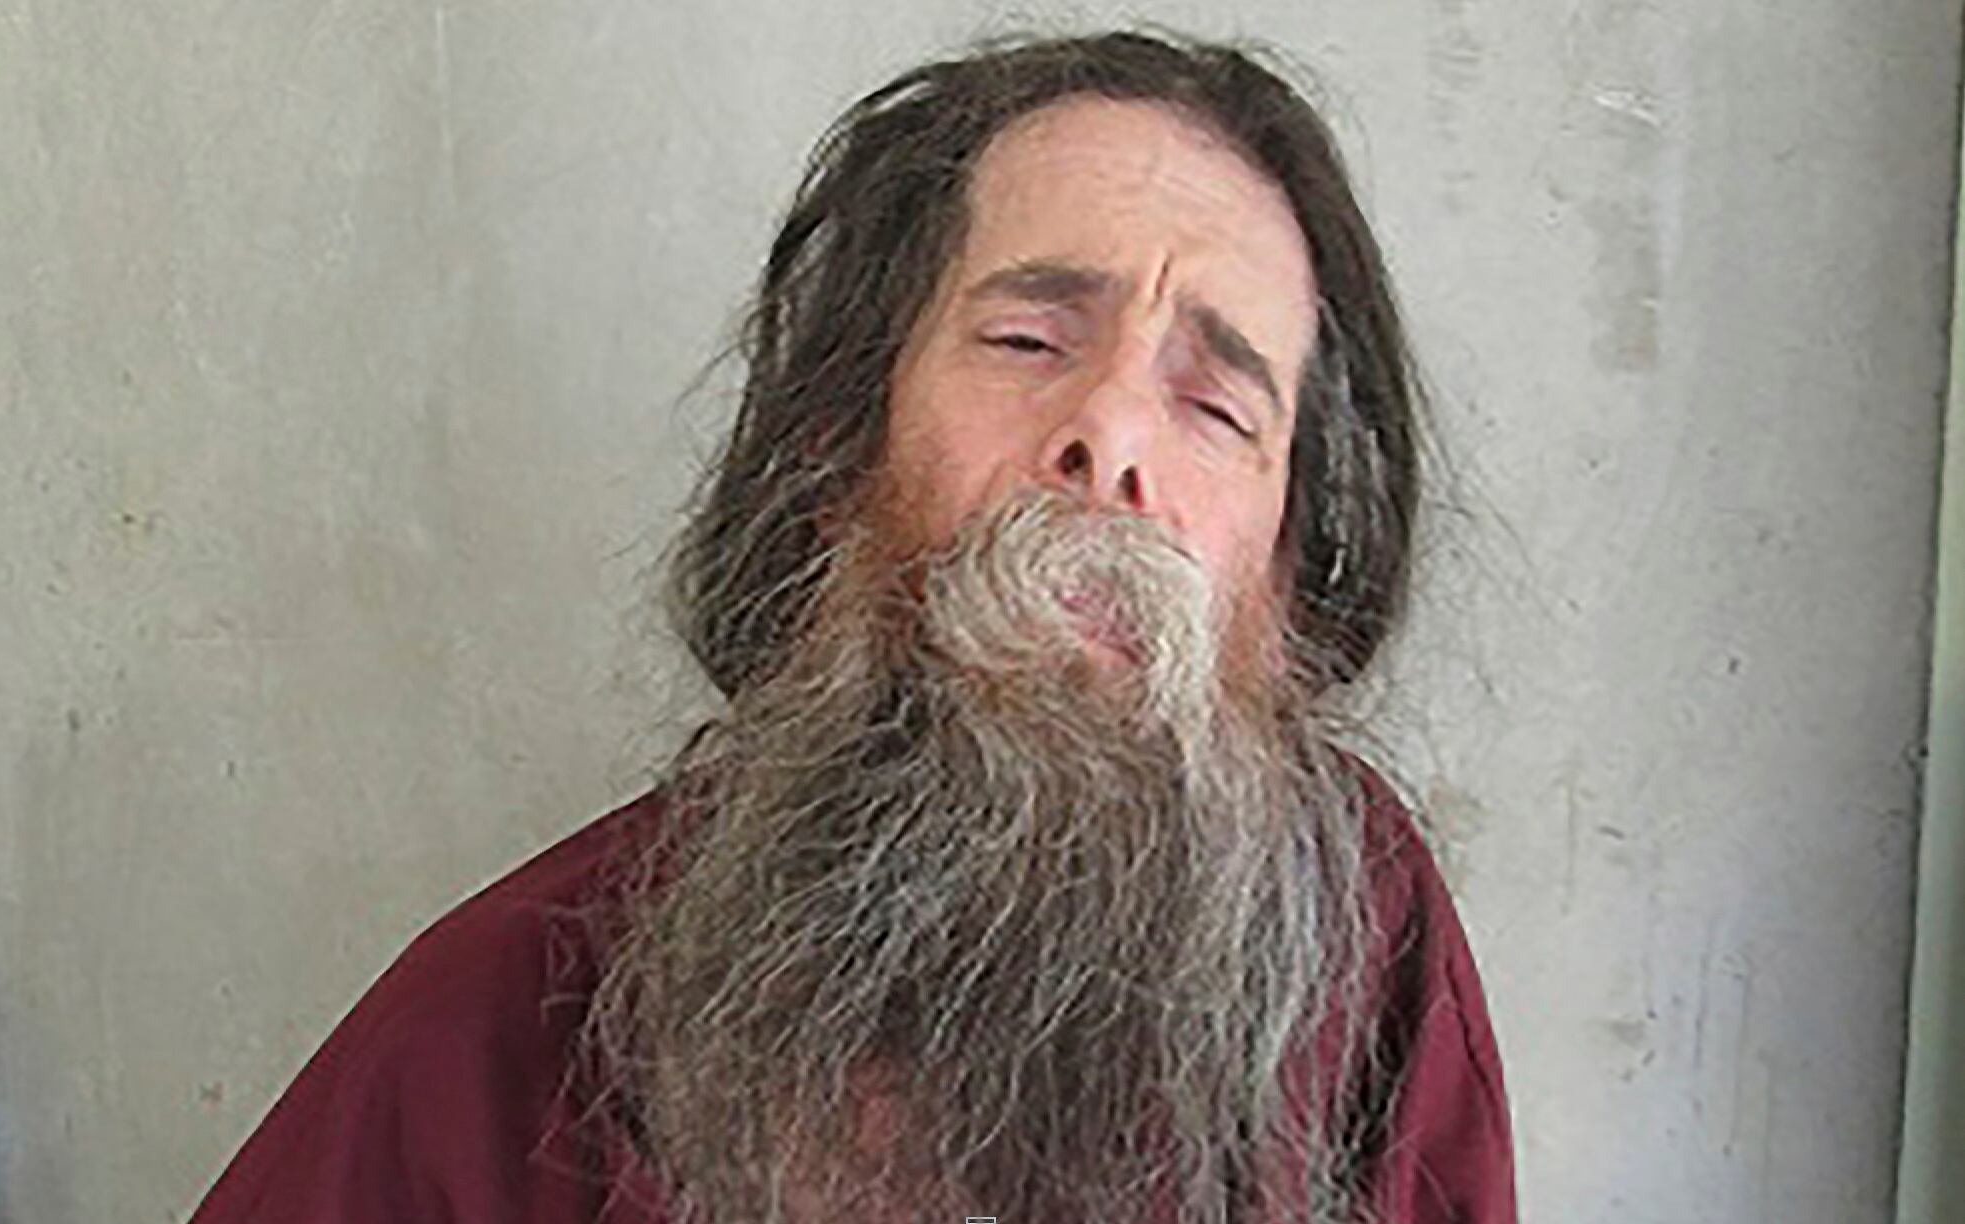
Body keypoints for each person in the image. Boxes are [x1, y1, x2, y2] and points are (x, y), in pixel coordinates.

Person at [187, 30, 1515, 1224]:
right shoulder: (487, 1042)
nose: (1110, 434)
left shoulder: (1365, 939)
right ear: (836, 447)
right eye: (1027, 341)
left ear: (1280, 583)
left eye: (1216, 408)